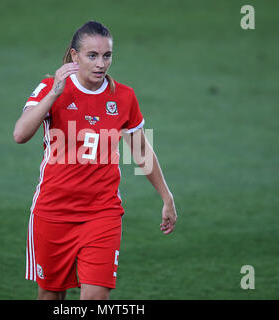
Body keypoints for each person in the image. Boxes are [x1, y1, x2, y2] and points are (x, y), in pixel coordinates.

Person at [13, 21, 178, 300]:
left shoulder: (124, 97)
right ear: (74, 56)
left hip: (102, 213)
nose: (101, 63)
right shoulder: (51, 87)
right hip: (53, 212)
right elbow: (20, 134)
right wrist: (54, 93)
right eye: (92, 55)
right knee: (50, 295)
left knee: (95, 299)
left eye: (107, 55)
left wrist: (167, 197)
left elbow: (141, 151)